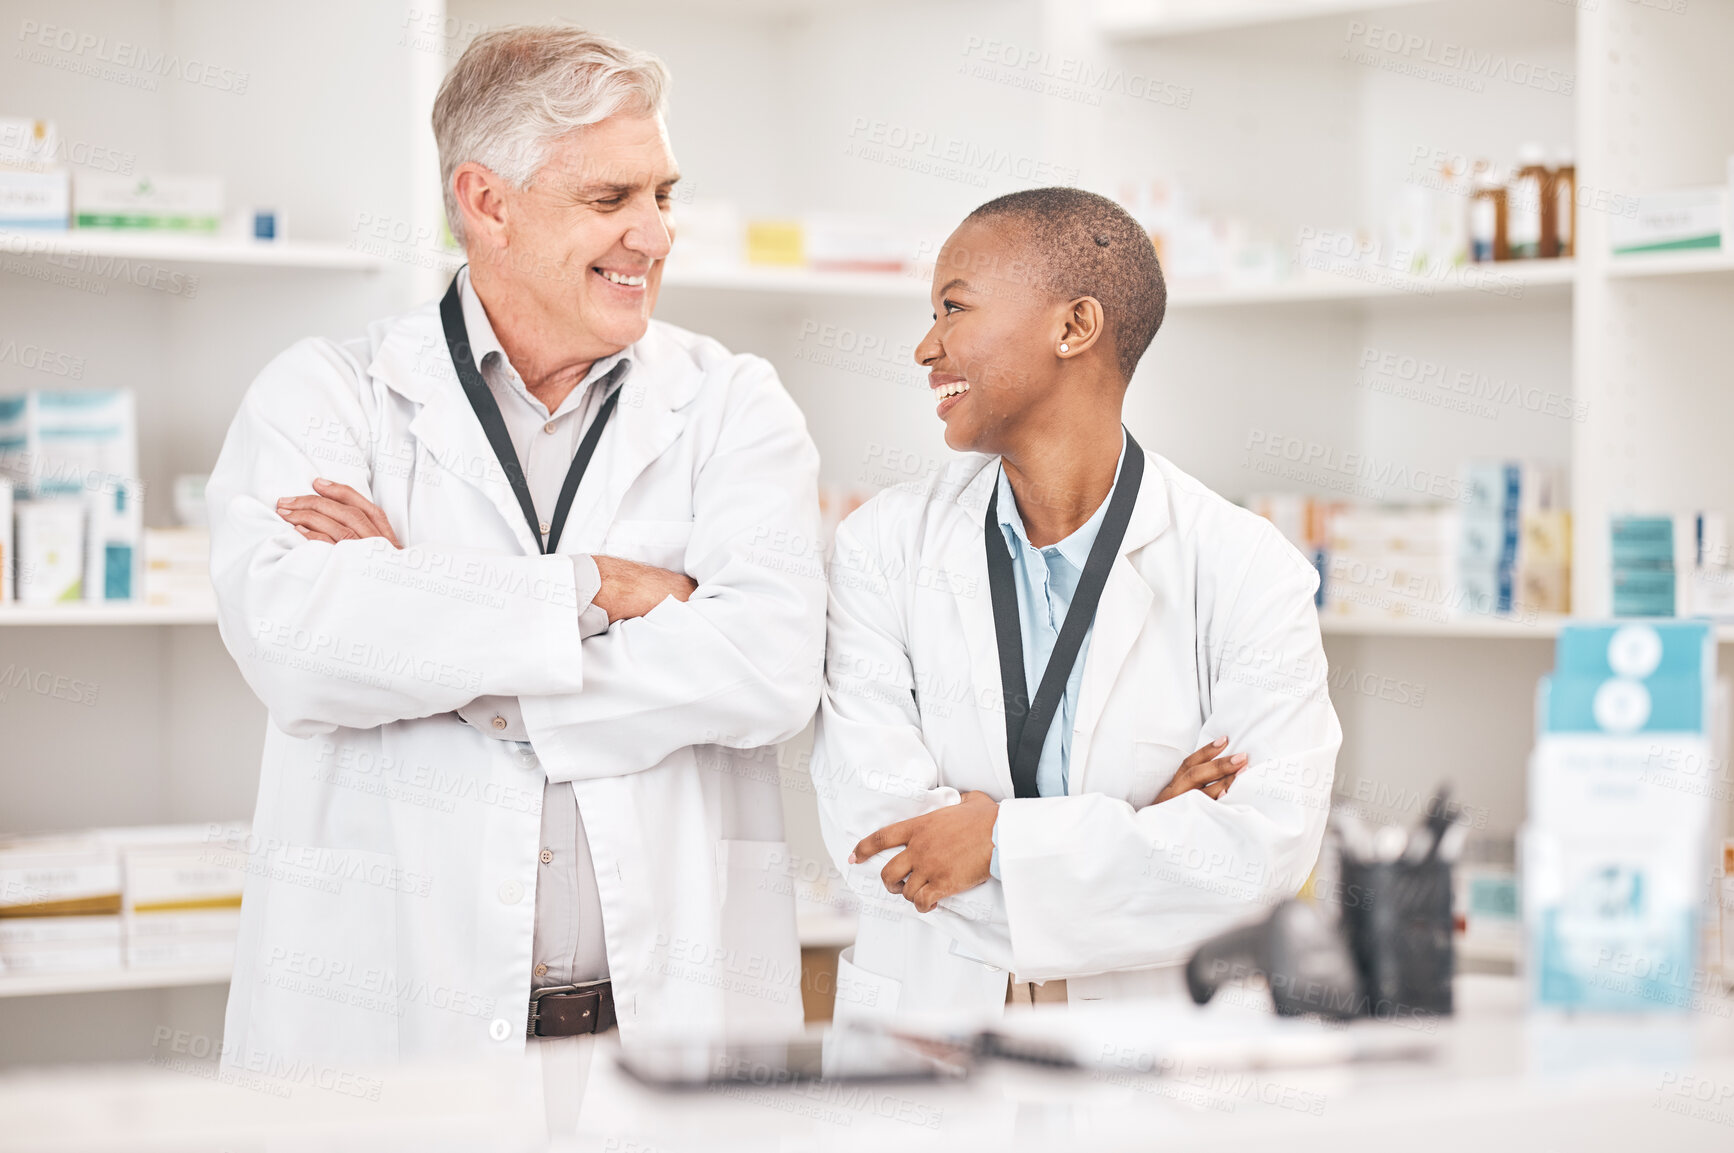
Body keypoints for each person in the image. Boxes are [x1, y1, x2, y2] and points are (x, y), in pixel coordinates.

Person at [208, 25, 823, 1064]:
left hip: (661, 1031)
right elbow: (302, 650)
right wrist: (603, 587)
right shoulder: (325, 396)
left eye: (662, 194)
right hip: (394, 1039)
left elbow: (767, 668)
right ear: (486, 203)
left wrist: (424, 618)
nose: (657, 236)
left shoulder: (732, 405)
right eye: (610, 200)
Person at [812, 187, 1341, 1017]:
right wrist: (1136, 826)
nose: (926, 346)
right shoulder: (880, 548)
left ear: (1073, 327)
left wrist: (995, 843)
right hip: (931, 1037)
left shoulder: (1246, 569)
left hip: (1148, 1053)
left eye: (954, 308)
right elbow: (881, 847)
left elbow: (1250, 866)